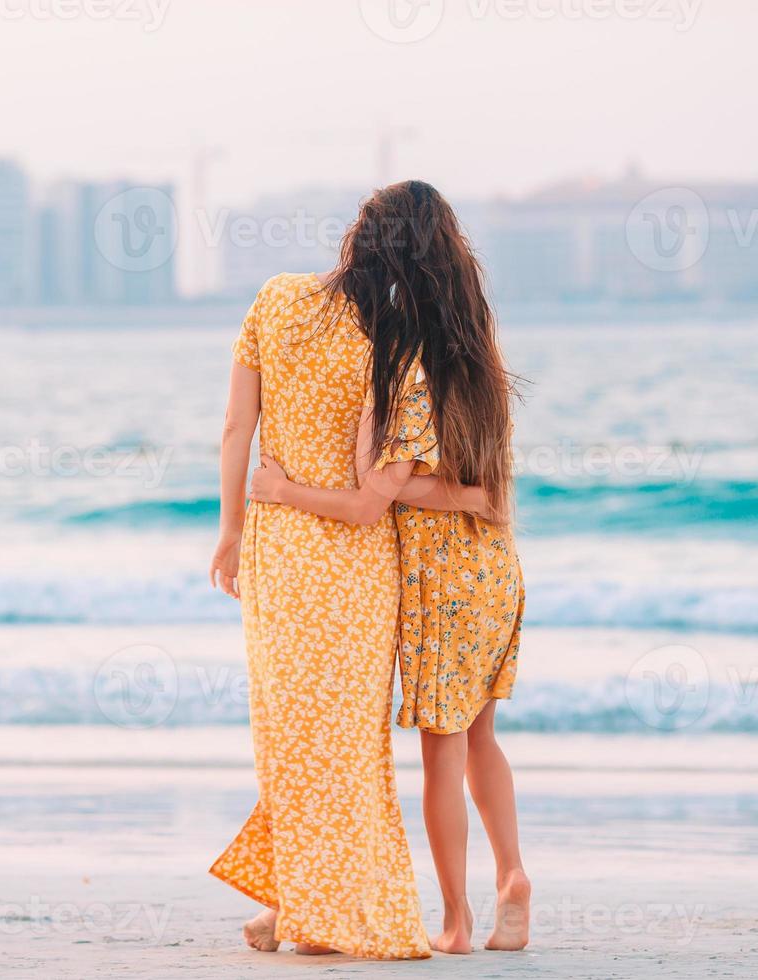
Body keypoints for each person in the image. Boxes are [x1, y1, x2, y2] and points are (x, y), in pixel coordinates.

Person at [244, 180, 532, 955]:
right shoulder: (479, 360)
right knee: (481, 739)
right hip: (496, 576)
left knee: (439, 751)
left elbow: (398, 497)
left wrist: (324, 485)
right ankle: (512, 876)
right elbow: (493, 497)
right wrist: (462, 497)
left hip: (441, 583)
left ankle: (456, 920)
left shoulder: (412, 366)